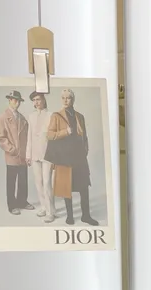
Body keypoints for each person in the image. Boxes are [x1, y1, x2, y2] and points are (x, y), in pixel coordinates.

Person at [45, 88, 98, 226]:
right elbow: (49, 135)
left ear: (73, 100)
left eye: (68, 98)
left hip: (79, 157)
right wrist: (65, 131)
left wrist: (85, 150)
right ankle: (70, 216)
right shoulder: (56, 116)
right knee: (66, 187)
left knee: (84, 187)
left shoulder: (80, 116)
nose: (65, 100)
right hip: (64, 157)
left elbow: (85, 136)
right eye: (63, 98)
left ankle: (86, 216)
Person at [0, 90, 33, 215]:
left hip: (23, 155)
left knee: (23, 180)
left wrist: (28, 153)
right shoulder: (3, 117)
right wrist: (11, 149)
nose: (17, 103)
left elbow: (27, 136)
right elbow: (1, 138)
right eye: (14, 100)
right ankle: (12, 205)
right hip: (12, 155)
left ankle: (22, 201)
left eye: (18, 100)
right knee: (11, 181)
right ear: (10, 100)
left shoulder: (22, 118)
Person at [26, 91, 55, 223]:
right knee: (38, 182)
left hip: (47, 154)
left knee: (47, 182)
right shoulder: (31, 116)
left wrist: (54, 156)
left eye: (38, 99)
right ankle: (43, 207)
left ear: (44, 100)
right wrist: (28, 155)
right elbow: (29, 137)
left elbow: (54, 138)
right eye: (34, 100)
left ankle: (50, 212)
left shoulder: (51, 115)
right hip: (35, 154)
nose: (36, 102)